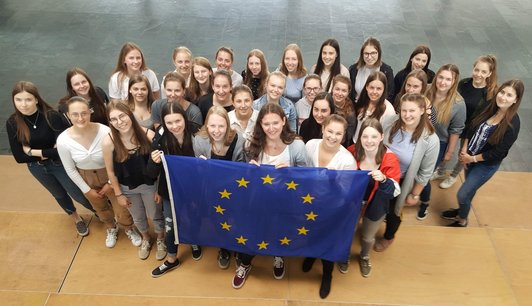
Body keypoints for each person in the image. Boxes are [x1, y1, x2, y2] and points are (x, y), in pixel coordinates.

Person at [233, 103, 309, 289]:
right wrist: (249, 170)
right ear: (260, 124)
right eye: (266, 124)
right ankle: (245, 263)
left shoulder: (297, 146)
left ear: (284, 121)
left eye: (275, 122)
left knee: (280, 232)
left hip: (285, 202)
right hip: (257, 200)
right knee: (253, 233)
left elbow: (307, 176)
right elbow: (242, 176)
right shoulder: (251, 143)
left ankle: (278, 255)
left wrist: (291, 173)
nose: (271, 128)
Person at [6, 81, 95, 236]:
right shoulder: (13, 123)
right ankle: (76, 219)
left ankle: (100, 211)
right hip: (37, 168)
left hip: (59, 164)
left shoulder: (51, 116)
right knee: (59, 194)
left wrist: (31, 151)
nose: (23, 104)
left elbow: (62, 149)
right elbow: (19, 157)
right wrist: (47, 151)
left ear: (36, 99)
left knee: (77, 193)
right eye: (18, 100)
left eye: (27, 99)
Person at [57, 97, 141, 248]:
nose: (80, 118)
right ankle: (111, 227)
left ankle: (129, 227)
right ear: (67, 115)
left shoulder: (105, 131)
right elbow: (70, 168)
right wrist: (86, 189)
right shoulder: (63, 140)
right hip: (86, 178)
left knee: (122, 207)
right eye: (75, 114)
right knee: (100, 208)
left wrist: (110, 183)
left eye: (84, 113)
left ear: (90, 112)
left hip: (110, 174)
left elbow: (117, 158)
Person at [441, 80, 523, 227]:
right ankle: (462, 211)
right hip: (469, 156)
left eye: (509, 95)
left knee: (463, 193)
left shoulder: (513, 123)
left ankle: (462, 220)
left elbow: (498, 152)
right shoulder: (490, 107)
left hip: (485, 165)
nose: (503, 97)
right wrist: (464, 150)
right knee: (469, 189)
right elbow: (471, 126)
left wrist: (471, 158)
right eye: (502, 92)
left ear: (515, 100)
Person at [373, 93, 439, 252]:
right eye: (404, 111)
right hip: (379, 174)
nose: (407, 115)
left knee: (393, 213)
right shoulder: (390, 122)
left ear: (422, 110)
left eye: (412, 111)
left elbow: (425, 172)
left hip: (400, 182)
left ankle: (389, 236)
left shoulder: (430, 140)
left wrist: (414, 194)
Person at [102, 101, 166, 260]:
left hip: (150, 185)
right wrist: (118, 195)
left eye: (122, 116)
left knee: (155, 214)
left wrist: (159, 189)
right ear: (110, 122)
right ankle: (145, 238)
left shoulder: (148, 135)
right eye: (114, 119)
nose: (120, 122)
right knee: (137, 216)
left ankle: (160, 239)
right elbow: (110, 171)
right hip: (127, 188)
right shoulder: (108, 141)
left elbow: (161, 166)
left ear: (130, 114)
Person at [302, 114, 357, 298]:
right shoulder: (310, 146)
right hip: (309, 202)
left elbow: (346, 194)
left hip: (333, 207)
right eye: (330, 131)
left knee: (328, 240)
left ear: (343, 136)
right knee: (309, 233)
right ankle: (311, 254)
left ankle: (327, 274)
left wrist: (333, 182)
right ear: (323, 129)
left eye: (338, 133)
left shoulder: (347, 161)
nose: (333, 136)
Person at [148, 102, 201, 277]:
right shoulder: (160, 136)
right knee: (170, 224)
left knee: (193, 218)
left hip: (193, 189)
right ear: (163, 122)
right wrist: (154, 162)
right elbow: (149, 172)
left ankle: (194, 241)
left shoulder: (196, 132)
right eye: (169, 123)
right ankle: (172, 259)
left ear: (184, 118)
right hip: (170, 189)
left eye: (178, 121)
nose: (175, 126)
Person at [193, 106, 245, 270]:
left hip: (234, 189)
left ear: (228, 126)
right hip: (211, 188)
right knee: (218, 219)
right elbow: (198, 173)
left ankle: (237, 246)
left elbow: (241, 169)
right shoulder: (199, 140)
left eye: (221, 126)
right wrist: (201, 167)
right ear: (206, 125)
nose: (217, 131)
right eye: (212, 126)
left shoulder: (238, 140)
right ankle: (224, 247)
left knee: (236, 219)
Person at [347, 119, 400, 278]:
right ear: (360, 137)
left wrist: (384, 180)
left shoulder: (390, 159)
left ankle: (364, 256)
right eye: (365, 136)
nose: (369, 141)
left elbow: (395, 191)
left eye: (374, 136)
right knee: (349, 231)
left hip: (376, 205)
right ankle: (345, 254)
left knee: (367, 236)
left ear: (381, 136)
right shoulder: (351, 152)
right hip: (353, 204)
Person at [439, 55, 498, 189]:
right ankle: (441, 171)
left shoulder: (489, 94)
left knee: (463, 153)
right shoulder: (464, 83)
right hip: (455, 124)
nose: (478, 74)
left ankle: (453, 175)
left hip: (471, 129)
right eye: (477, 70)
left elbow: (481, 119)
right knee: (447, 148)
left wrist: (467, 140)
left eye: (483, 72)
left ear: (489, 73)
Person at [418, 64, 466, 220]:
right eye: (441, 77)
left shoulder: (458, 104)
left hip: (439, 143)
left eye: (448, 79)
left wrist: (449, 152)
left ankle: (424, 202)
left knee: (424, 174)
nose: (443, 82)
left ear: (454, 82)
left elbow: (456, 130)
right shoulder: (427, 90)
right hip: (419, 136)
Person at [353, 71, 396, 143]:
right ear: (366, 87)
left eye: (379, 88)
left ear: (384, 89)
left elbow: (386, 138)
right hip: (355, 142)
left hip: (371, 148)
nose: (374, 92)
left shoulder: (389, 111)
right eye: (371, 87)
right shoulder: (362, 100)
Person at [349, 37, 394, 102]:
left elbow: (389, 94)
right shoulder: (354, 69)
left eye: (373, 53)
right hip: (357, 107)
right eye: (366, 53)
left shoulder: (387, 71)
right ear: (362, 54)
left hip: (378, 108)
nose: (369, 57)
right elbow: (351, 92)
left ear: (379, 53)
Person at [331, 75, 357, 146]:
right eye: (337, 89)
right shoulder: (325, 101)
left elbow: (348, 135)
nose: (339, 93)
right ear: (332, 89)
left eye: (344, 91)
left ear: (348, 92)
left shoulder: (350, 113)